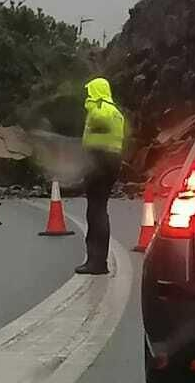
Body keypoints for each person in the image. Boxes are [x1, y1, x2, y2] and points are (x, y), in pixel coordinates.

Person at [76, 76, 126, 276]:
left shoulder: (101, 110)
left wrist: (92, 105)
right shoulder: (116, 113)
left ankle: (96, 262)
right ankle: (99, 261)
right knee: (100, 210)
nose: (86, 96)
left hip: (98, 161)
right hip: (111, 161)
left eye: (90, 92)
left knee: (95, 212)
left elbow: (98, 120)